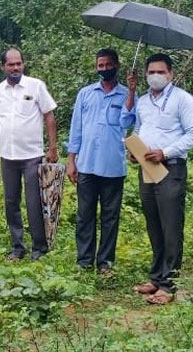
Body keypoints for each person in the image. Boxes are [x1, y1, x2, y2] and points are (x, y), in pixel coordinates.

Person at [121, 53, 193, 304]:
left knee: (171, 226)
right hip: (147, 168)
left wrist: (165, 152)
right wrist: (135, 150)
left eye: (160, 72)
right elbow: (139, 128)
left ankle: (168, 285)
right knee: (153, 224)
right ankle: (156, 277)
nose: (155, 76)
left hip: (171, 168)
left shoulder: (182, 99)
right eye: (151, 72)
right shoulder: (143, 101)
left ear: (170, 74)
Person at [0, 48, 59, 261]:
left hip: (32, 156)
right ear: (3, 67)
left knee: (34, 202)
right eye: (11, 64)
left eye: (19, 63)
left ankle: (39, 248)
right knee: (11, 202)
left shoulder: (36, 86)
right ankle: (18, 247)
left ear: (23, 64)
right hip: (8, 156)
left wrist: (53, 147)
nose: (16, 67)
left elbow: (49, 116)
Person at [66, 49, 133, 275]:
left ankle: (105, 262)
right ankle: (84, 261)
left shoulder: (126, 94)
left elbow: (129, 121)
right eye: (100, 65)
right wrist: (71, 160)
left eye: (108, 65)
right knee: (84, 215)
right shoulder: (85, 94)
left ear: (117, 66)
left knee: (110, 217)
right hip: (86, 164)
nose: (104, 69)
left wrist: (133, 92)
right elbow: (76, 129)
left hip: (113, 166)